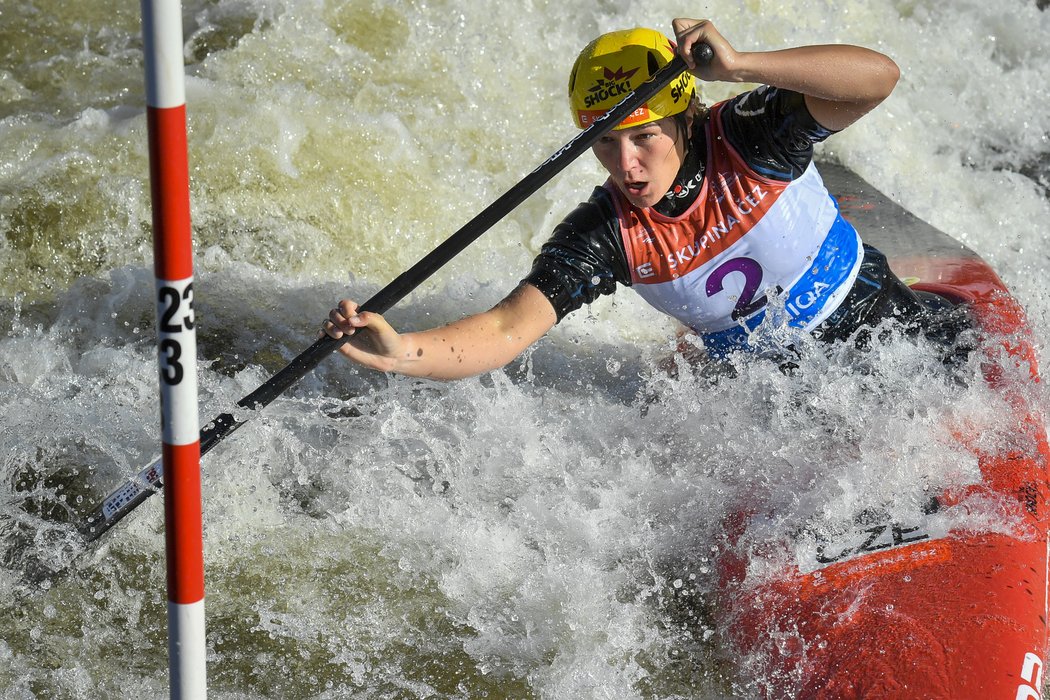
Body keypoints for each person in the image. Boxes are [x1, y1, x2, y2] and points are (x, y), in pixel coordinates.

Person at [322, 18, 951, 380]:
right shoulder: (603, 232)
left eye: (644, 137)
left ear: (683, 120)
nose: (626, 165)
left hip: (891, 335)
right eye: (605, 144)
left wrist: (738, 66)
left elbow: (879, 78)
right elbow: (509, 326)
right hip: (772, 406)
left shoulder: (750, 133)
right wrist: (404, 351)